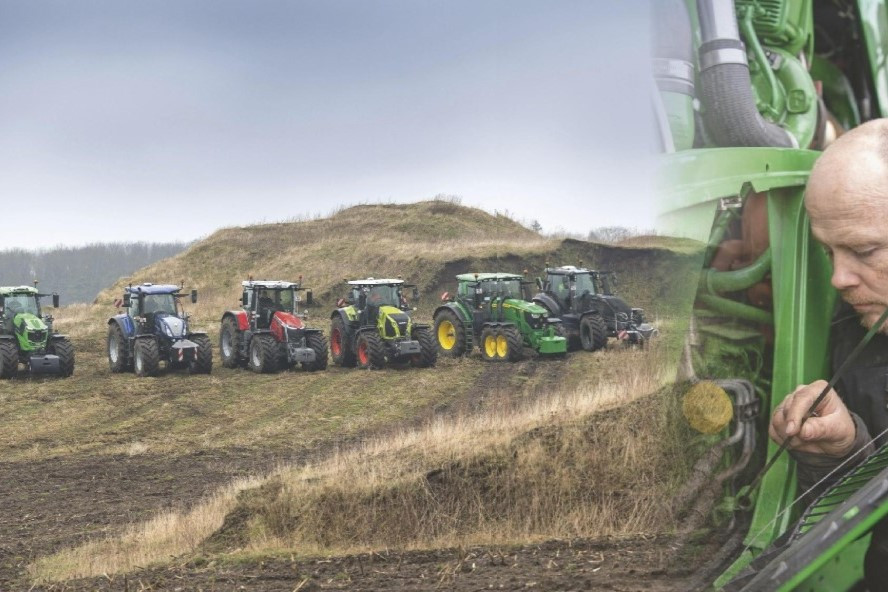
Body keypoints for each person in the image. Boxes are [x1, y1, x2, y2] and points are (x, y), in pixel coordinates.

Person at [768, 118, 888, 586]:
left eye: (866, 249)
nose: (840, 279)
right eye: (828, 252)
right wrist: (843, 449)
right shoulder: (859, 332)